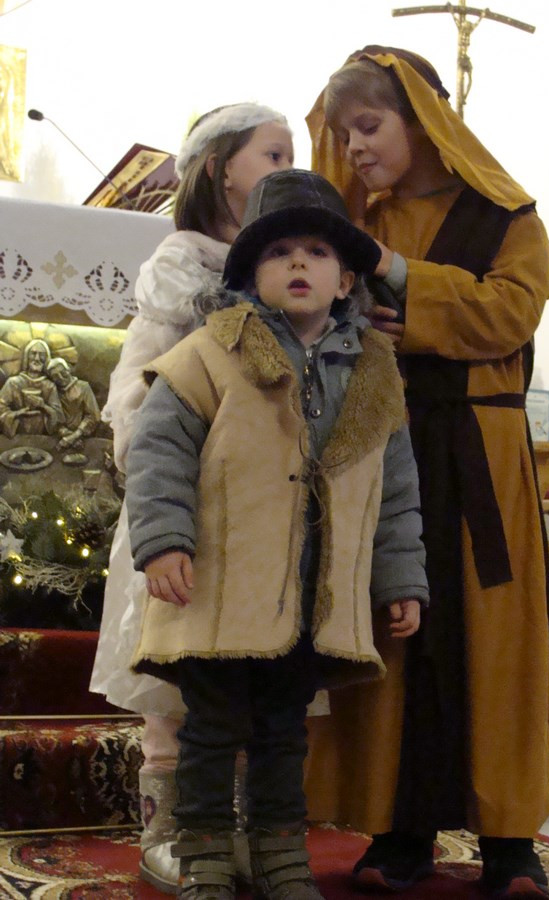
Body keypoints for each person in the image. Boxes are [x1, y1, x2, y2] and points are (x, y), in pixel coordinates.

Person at [304, 46, 549, 898]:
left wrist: (396, 275)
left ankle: (509, 844)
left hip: (479, 453)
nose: (354, 147)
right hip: (385, 441)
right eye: (344, 133)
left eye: (369, 126)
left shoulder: (505, 216)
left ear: (422, 122)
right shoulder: (358, 217)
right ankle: (398, 831)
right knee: (391, 630)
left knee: (496, 641)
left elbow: (508, 313)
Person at [123, 168, 429, 900]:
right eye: (279, 251)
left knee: (284, 733)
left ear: (346, 279)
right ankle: (202, 850)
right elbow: (158, 451)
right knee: (211, 728)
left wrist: (400, 578)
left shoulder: (376, 373)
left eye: (317, 252)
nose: (298, 263)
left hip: (310, 598)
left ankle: (279, 851)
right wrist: (164, 541)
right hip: (221, 589)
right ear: (249, 274)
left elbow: (394, 490)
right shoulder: (210, 352)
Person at [88, 102, 294, 893]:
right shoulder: (184, 262)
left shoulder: (281, 259)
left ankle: (224, 831)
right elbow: (146, 376)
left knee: (239, 673)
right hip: (186, 496)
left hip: (258, 508)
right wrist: (159, 467)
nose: (285, 166)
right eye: (272, 153)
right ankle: (167, 834)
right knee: (173, 679)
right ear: (220, 167)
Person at [0, 338, 64, 437]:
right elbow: (1, 408)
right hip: (16, 437)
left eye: (41, 355)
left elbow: (59, 417)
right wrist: (18, 413)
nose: (37, 358)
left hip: (42, 438)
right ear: (27, 356)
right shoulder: (13, 383)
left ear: (46, 358)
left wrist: (43, 406)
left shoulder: (49, 386)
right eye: (33, 354)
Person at [47, 356, 101, 451]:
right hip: (61, 438)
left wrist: (75, 436)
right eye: (55, 376)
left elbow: (93, 415)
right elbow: (54, 417)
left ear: (68, 370)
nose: (60, 378)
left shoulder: (83, 387)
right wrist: (67, 434)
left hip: (84, 437)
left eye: (63, 373)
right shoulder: (53, 392)